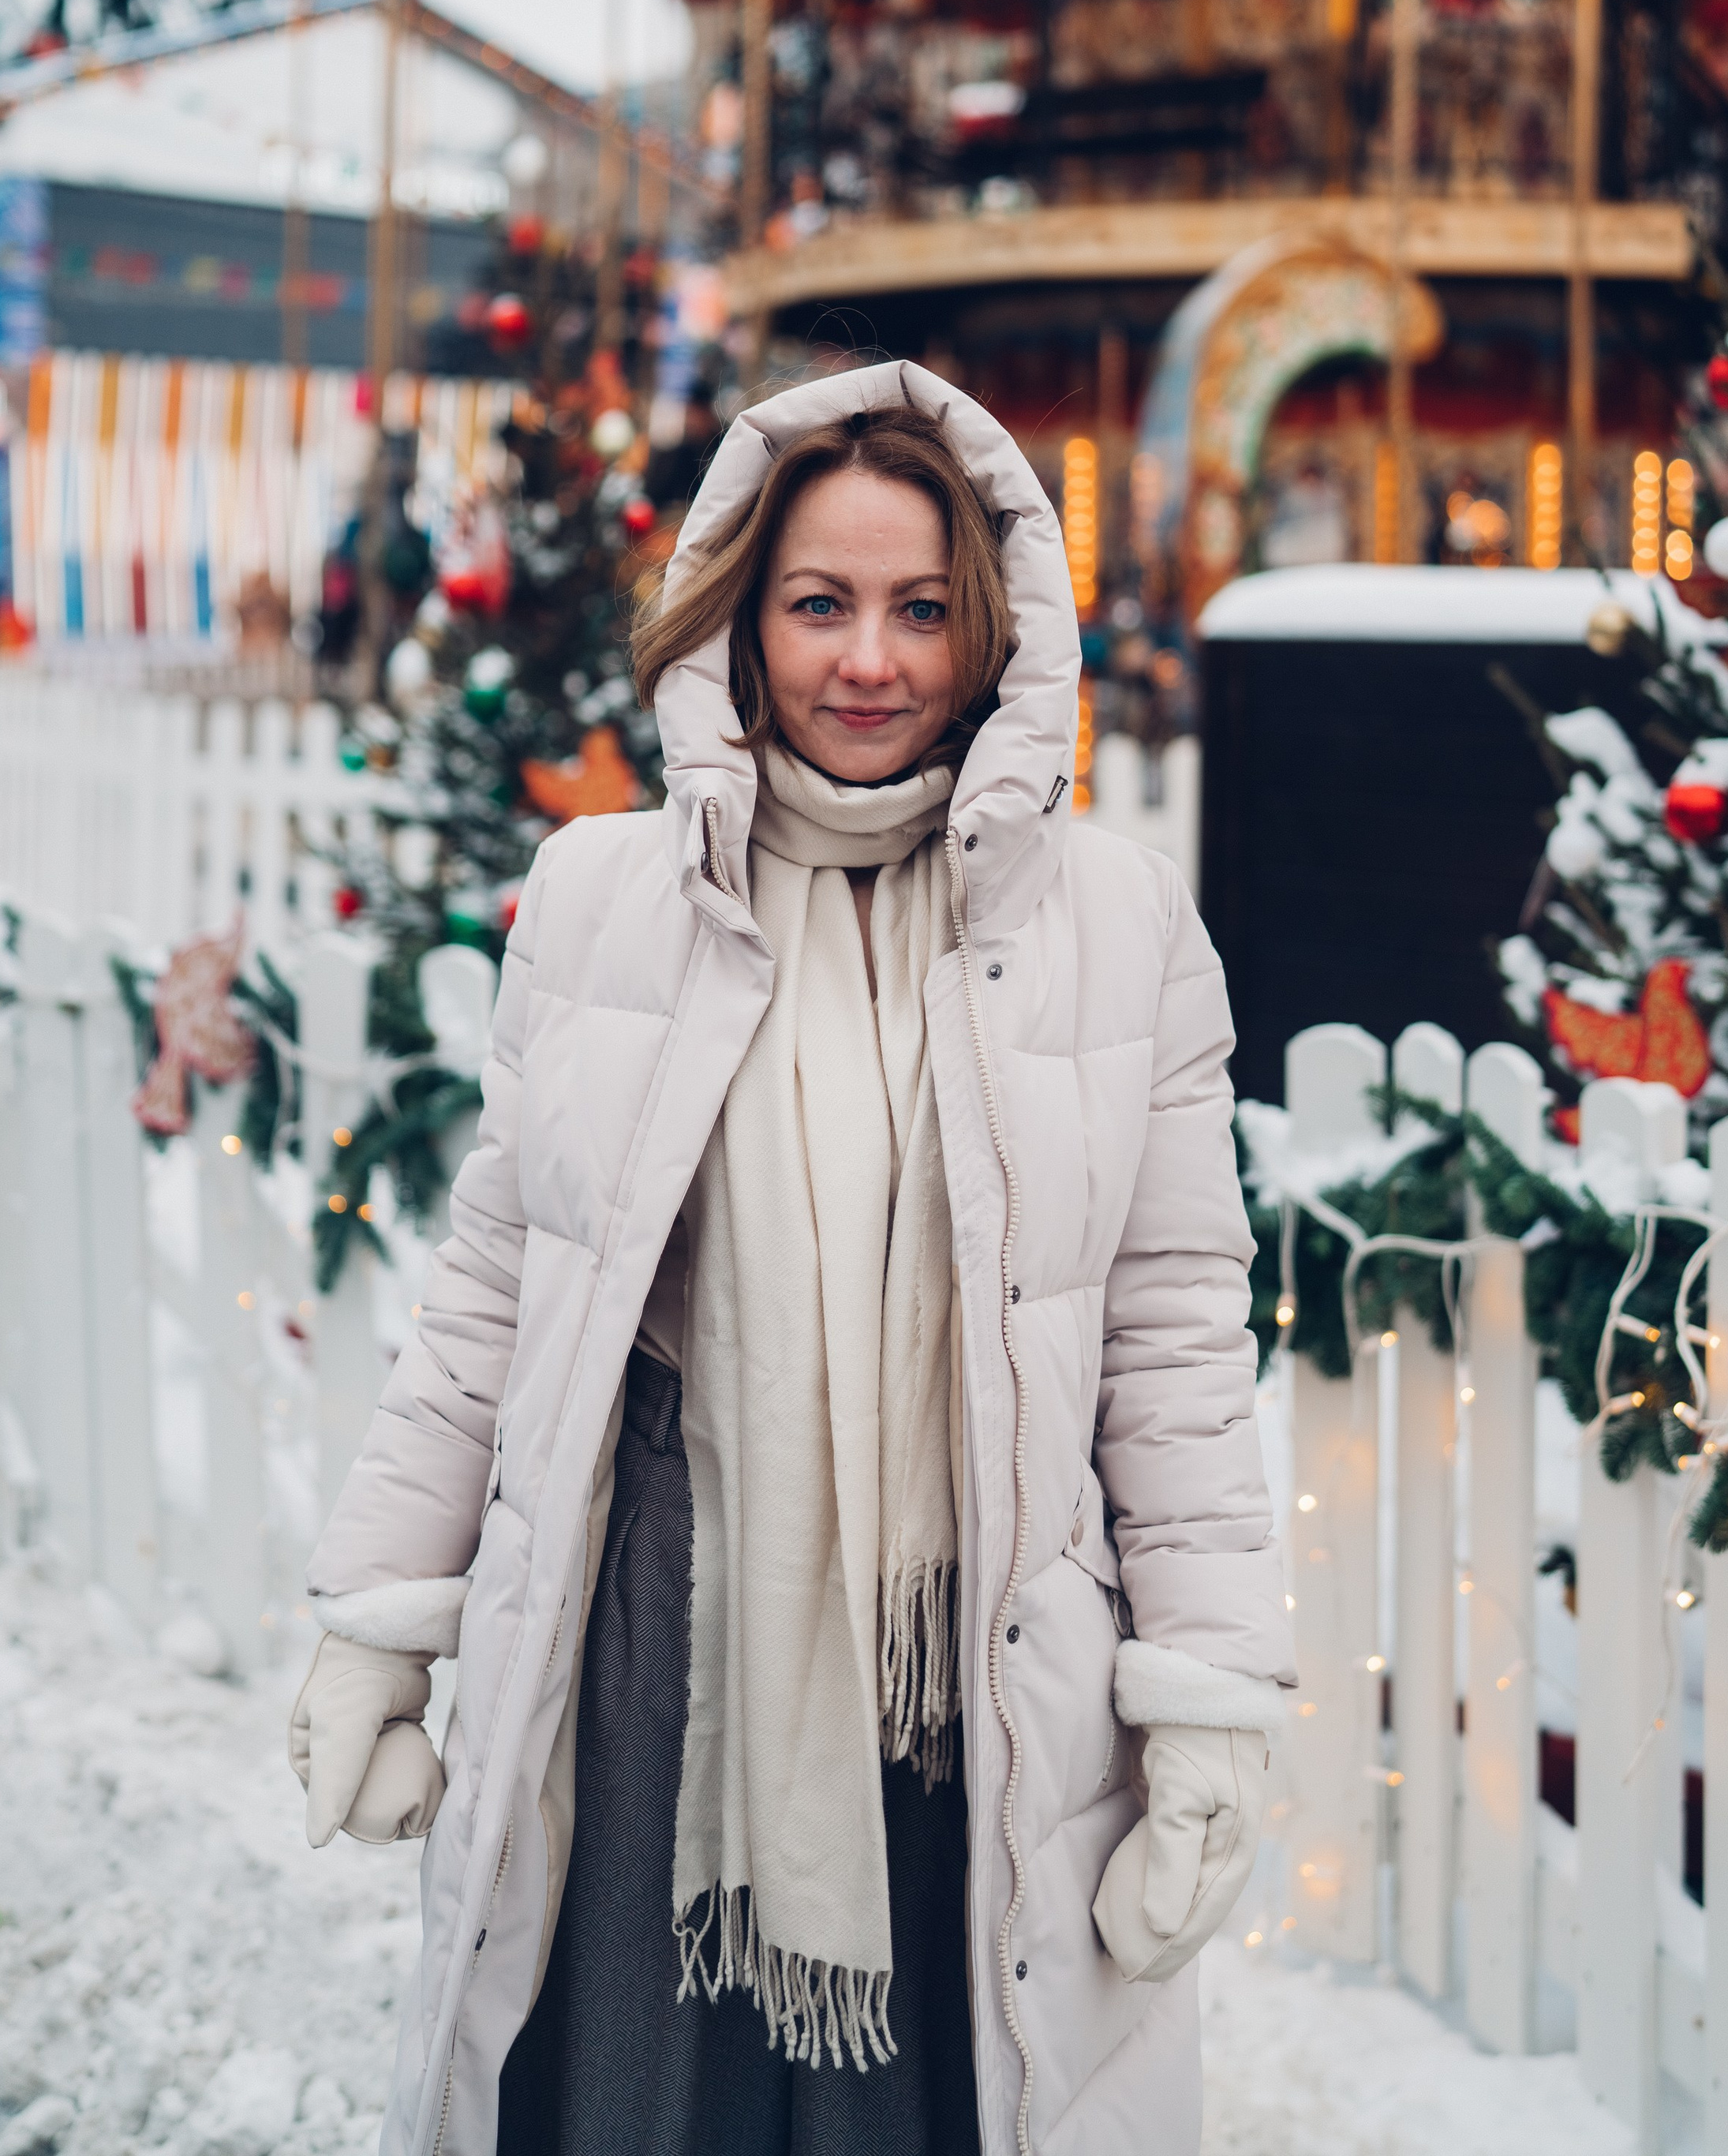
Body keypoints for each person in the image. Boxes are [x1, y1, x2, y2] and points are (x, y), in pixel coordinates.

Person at [287, 362, 1294, 2156]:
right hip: (648, 1639)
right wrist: (382, 1614)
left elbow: (1167, 1334)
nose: (868, 661)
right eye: (817, 602)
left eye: (919, 609)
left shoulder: (1114, 926)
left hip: (969, 1658)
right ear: (737, 621)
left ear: (992, 632)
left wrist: (1208, 1693)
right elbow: (493, 1291)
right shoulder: (603, 896)